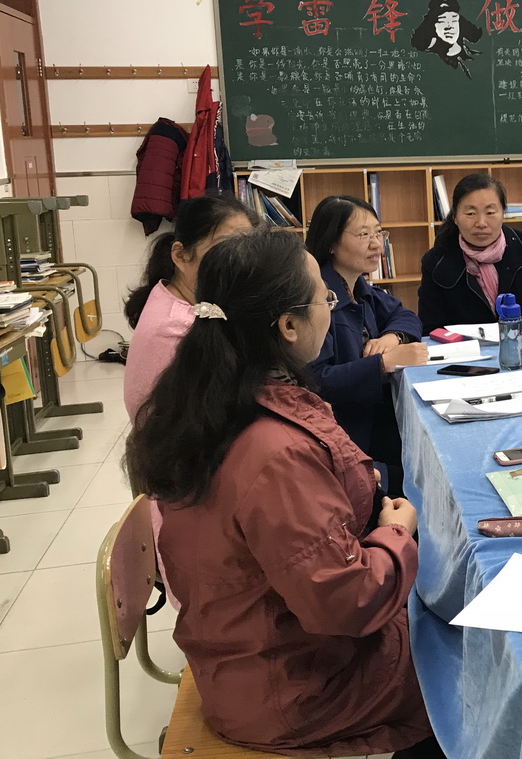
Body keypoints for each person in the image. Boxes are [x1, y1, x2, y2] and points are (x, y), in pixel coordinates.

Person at [123, 231, 441, 758]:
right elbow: (348, 601)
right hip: (293, 688)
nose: (331, 309)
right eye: (324, 299)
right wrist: (394, 534)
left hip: (247, 649)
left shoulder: (205, 403)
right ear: (289, 325)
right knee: (467, 661)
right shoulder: (275, 451)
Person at [306, 195, 427, 496]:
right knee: (424, 479)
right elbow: (316, 381)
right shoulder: (319, 298)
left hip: (376, 420)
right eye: (363, 235)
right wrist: (383, 364)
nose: (377, 245)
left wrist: (392, 337)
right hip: (347, 437)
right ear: (331, 243)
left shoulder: (360, 286)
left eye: (378, 233)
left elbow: (406, 316)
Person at [123, 192, 256, 419]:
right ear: (181, 255)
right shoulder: (178, 326)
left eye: (247, 247)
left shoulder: (169, 294)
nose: (240, 260)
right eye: (224, 248)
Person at [418, 173, 522, 333]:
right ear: (455, 217)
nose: (481, 223)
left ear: (503, 214)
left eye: (490, 213)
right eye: (470, 214)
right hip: (465, 347)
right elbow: (430, 328)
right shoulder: (436, 261)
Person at [411, 0, 483, 77]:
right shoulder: (429, 60)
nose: (449, 26)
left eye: (454, 20)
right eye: (442, 21)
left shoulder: (475, 57)